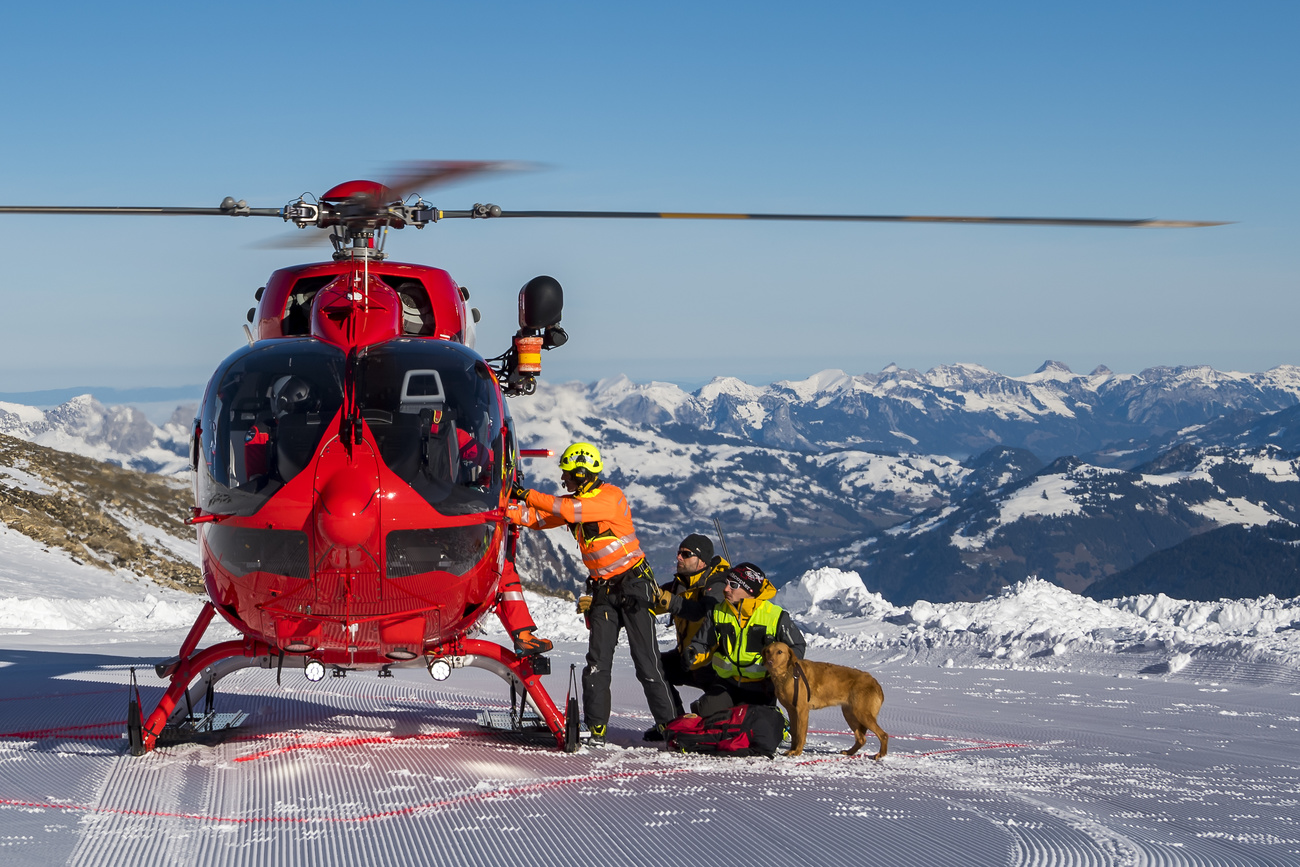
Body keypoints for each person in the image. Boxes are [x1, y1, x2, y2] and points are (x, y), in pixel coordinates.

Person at [507, 442, 677, 745]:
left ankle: (670, 727)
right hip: (603, 589)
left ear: (582, 474)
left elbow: (565, 509)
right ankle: (595, 728)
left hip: (634, 585)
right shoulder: (579, 502)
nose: (565, 482)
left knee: (646, 662)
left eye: (568, 476)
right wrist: (504, 508)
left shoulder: (609, 498)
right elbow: (539, 518)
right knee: (597, 662)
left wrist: (526, 493)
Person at [686, 562, 806, 720]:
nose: (726, 589)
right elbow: (702, 643)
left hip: (761, 686)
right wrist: (693, 652)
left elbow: (797, 646)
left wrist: (781, 669)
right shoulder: (717, 612)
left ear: (749, 590)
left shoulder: (775, 616)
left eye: (733, 585)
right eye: (727, 583)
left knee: (754, 725)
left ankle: (777, 720)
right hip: (726, 683)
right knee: (705, 712)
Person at [649, 533, 730, 721]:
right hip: (687, 659)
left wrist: (670, 602)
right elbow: (647, 600)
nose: (679, 557)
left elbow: (703, 611)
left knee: (706, 713)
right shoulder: (680, 584)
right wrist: (601, 603)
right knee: (651, 667)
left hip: (715, 667)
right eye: (679, 553)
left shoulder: (718, 585)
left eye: (686, 554)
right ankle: (672, 722)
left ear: (702, 560)